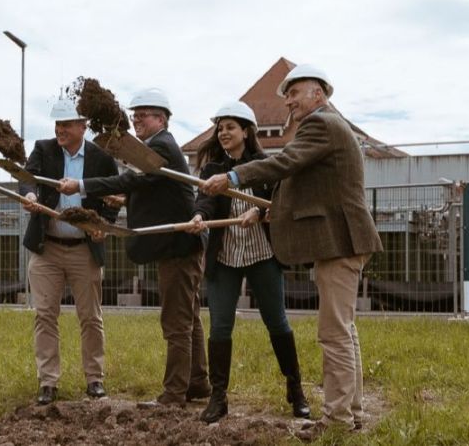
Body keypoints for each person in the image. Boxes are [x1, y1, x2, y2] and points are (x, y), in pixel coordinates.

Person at [200, 65, 383, 438]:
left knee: (333, 333)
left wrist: (234, 177)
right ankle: (353, 413)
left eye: (294, 92)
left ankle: (336, 421)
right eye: (286, 93)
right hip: (344, 240)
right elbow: (300, 182)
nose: (288, 100)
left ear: (319, 93)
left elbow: (284, 163)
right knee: (344, 332)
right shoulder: (332, 126)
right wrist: (267, 208)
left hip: (340, 242)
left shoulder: (320, 125)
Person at [59, 88, 211, 407]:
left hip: (179, 246)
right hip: (180, 245)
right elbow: (151, 187)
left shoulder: (161, 147)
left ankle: (173, 394)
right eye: (134, 115)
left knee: (176, 322)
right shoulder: (158, 148)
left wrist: (82, 185)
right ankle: (197, 383)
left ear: (161, 118)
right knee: (189, 316)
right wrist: (126, 198)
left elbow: (130, 179)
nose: (135, 120)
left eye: (142, 115)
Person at [184, 101, 310, 424]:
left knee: (277, 321)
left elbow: (279, 202)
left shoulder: (266, 165)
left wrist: (262, 212)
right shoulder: (213, 171)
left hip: (262, 254)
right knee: (220, 325)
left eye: (230, 127)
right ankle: (218, 397)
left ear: (246, 131)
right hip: (225, 257)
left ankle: (295, 388)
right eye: (220, 128)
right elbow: (206, 200)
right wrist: (199, 216)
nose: (224, 133)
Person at [19, 96, 119, 405]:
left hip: (83, 250)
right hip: (46, 248)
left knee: (90, 316)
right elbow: (27, 178)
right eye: (57, 124)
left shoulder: (101, 158)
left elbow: (112, 195)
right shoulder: (43, 149)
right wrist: (31, 193)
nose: (59, 129)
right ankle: (48, 381)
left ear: (82, 126)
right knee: (45, 314)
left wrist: (104, 223)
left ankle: (95, 378)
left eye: (66, 124)